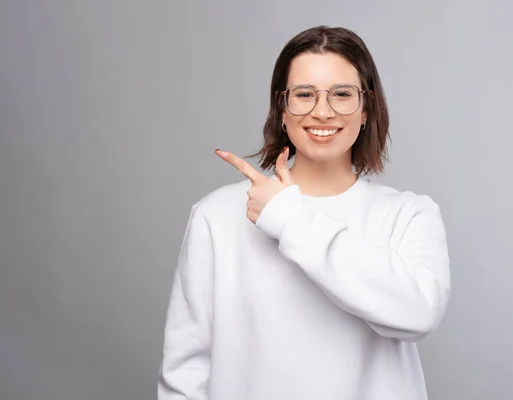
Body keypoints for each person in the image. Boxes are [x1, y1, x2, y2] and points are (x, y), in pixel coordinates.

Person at [158, 25, 450, 400]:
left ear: (366, 110)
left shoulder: (409, 214)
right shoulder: (217, 215)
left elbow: (417, 314)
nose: (323, 111)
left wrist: (289, 217)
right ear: (281, 108)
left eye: (342, 94)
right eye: (304, 94)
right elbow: (186, 368)